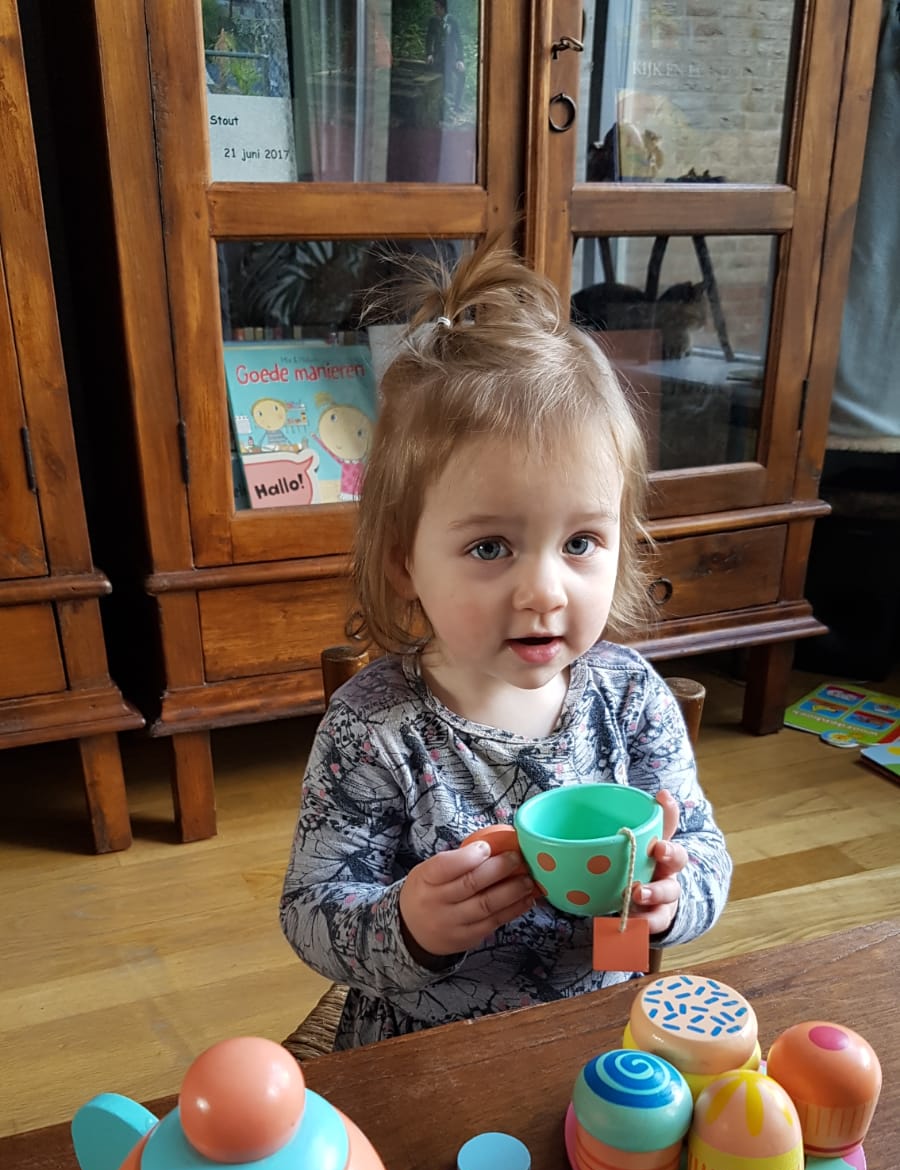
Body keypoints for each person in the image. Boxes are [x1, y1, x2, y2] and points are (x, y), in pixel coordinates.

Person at [280, 241, 732, 1050]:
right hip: (418, 1051)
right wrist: (408, 923)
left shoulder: (631, 700)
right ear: (404, 564)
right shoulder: (373, 730)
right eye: (490, 547)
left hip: (601, 1037)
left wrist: (673, 898)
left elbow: (703, 852)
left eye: (581, 542)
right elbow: (310, 910)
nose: (544, 591)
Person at [425, 0, 465, 116]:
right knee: (441, 79)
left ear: (443, 8)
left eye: (437, 7)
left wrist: (460, 59)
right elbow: (429, 38)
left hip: (451, 57)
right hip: (438, 57)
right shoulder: (433, 21)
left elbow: (458, 41)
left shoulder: (453, 21)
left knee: (461, 75)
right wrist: (429, 54)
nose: (435, 10)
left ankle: (456, 105)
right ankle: (442, 108)